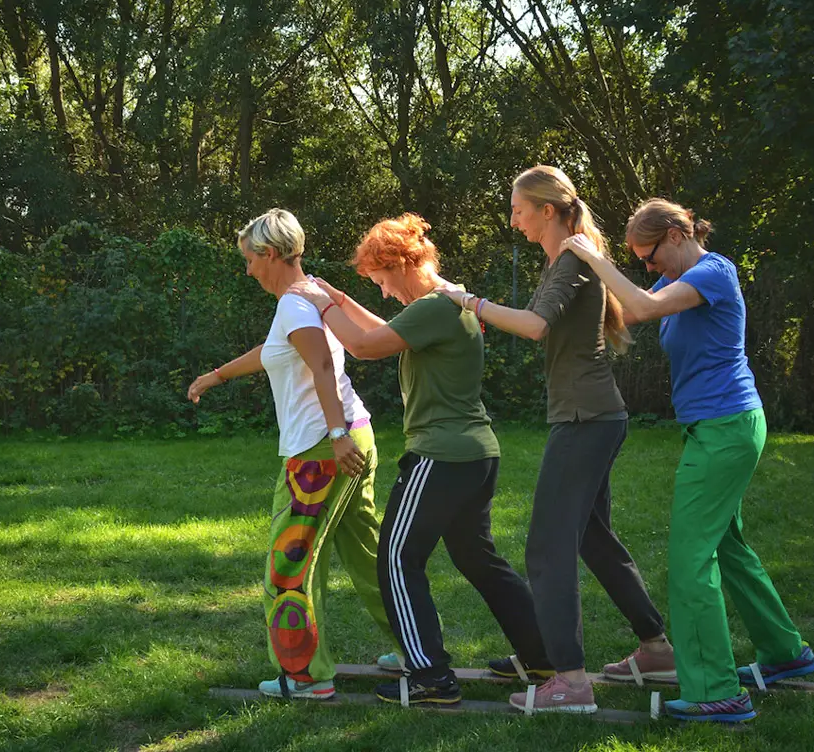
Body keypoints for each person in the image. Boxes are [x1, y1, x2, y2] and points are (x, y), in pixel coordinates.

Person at [560, 198, 814, 723]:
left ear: (677, 234)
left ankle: (718, 692)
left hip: (726, 429)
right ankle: (784, 652)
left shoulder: (714, 271)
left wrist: (591, 256)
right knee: (727, 546)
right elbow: (632, 309)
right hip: (717, 428)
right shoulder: (675, 281)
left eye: (650, 256)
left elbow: (647, 307)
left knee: (690, 560)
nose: (648, 268)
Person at [435, 166, 673, 714]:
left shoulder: (571, 256)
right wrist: (485, 308)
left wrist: (466, 300)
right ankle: (657, 648)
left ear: (547, 209)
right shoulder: (568, 256)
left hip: (585, 419)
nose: (512, 220)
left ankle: (570, 680)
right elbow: (539, 322)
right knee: (593, 539)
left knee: (546, 548)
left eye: (518, 210)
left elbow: (537, 325)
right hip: (593, 414)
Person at [291, 213, 550, 707]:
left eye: (382, 281)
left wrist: (324, 307)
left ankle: (431, 677)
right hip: (475, 453)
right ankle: (541, 655)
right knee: (479, 559)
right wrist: (341, 300)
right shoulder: (444, 301)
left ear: (400, 264)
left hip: (441, 455)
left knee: (396, 558)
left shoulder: (435, 307)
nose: (384, 292)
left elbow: (367, 347)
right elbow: (387, 329)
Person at [186, 208, 391, 700]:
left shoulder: (296, 306)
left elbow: (321, 365)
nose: (248, 270)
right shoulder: (303, 299)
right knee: (367, 556)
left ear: (271, 254)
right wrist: (217, 375)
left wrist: (336, 435)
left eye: (250, 260)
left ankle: (305, 677)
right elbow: (275, 351)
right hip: (351, 436)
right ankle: (417, 648)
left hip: (321, 451)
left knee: (289, 566)